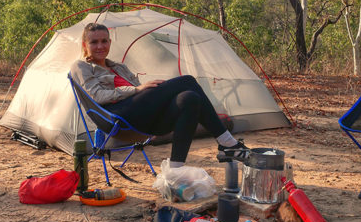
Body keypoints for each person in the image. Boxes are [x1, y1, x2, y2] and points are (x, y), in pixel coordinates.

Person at [70, 22, 251, 167]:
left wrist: (151, 95)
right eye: (94, 42)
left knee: (189, 98)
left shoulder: (119, 67)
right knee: (187, 80)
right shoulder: (81, 66)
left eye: (104, 41)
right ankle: (227, 143)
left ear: (110, 42)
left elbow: (142, 100)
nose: (100, 46)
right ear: (85, 45)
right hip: (116, 117)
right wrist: (136, 90)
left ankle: (176, 169)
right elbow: (97, 96)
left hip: (141, 118)